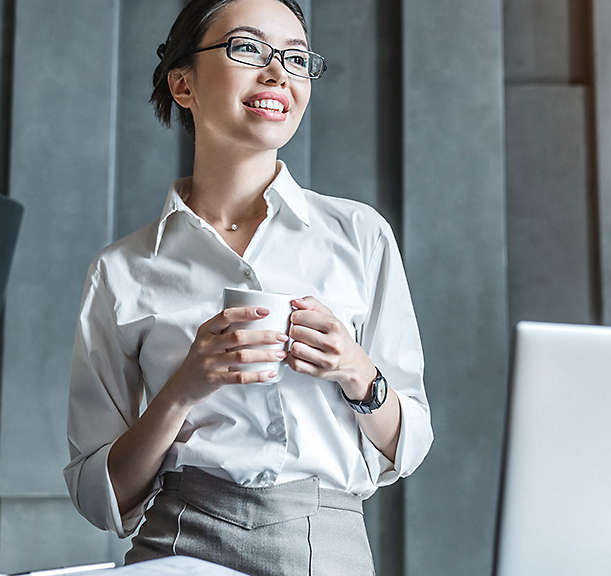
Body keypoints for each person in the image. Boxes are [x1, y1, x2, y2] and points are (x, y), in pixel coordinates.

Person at [63, 0, 433, 574]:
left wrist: (359, 375)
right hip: (177, 546)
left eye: (294, 57)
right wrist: (183, 388)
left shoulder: (360, 236)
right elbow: (100, 496)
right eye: (247, 48)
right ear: (182, 83)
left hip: (325, 544)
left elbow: (408, 446)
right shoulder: (122, 270)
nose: (277, 72)